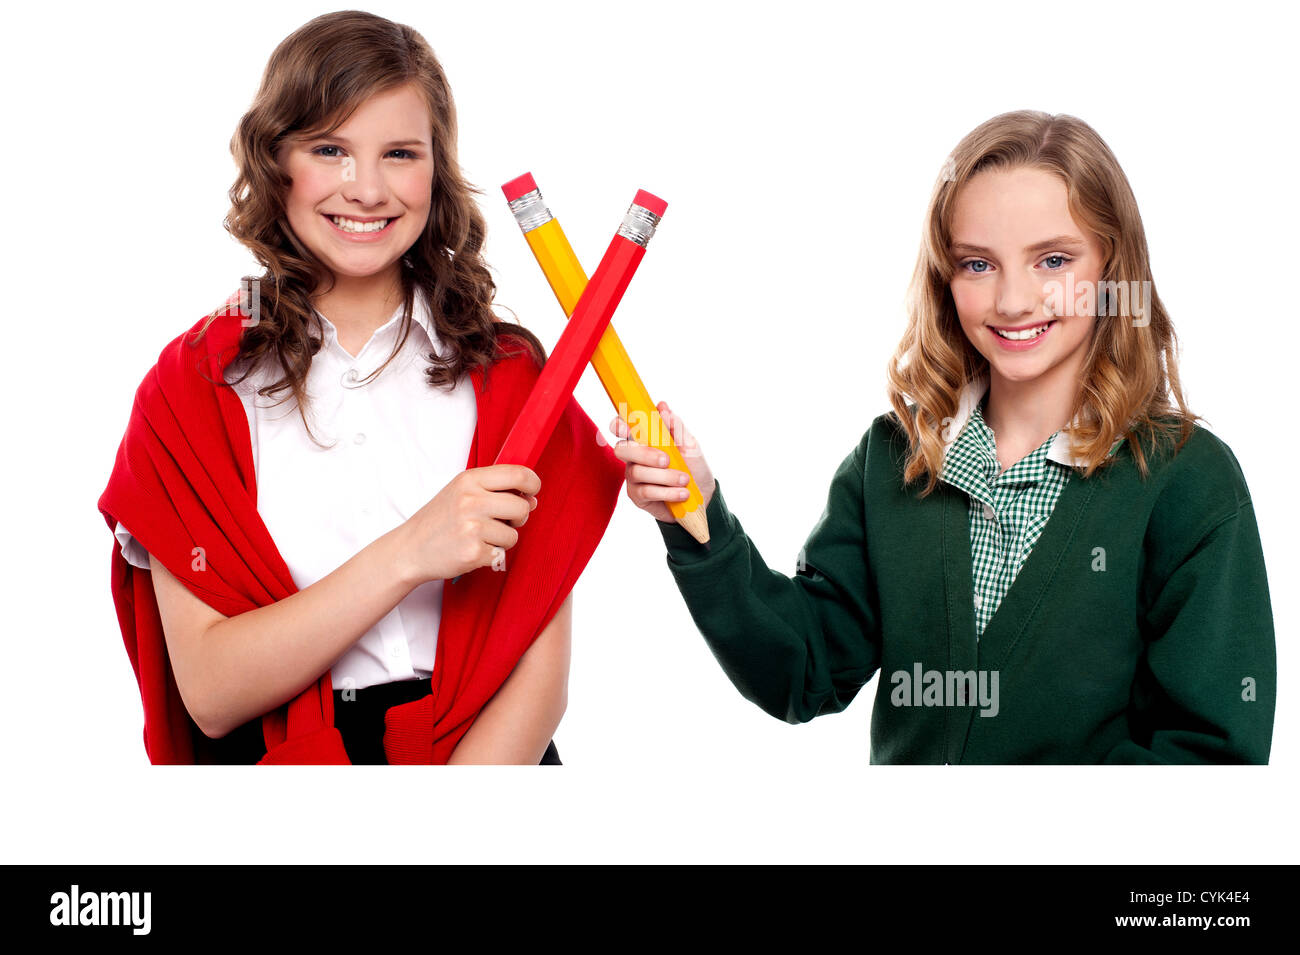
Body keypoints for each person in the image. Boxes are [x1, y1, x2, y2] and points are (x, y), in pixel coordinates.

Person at [612, 110, 1275, 763]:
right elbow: (802, 669)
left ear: (1111, 268)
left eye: (1052, 260)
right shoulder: (893, 459)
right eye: (978, 264)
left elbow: (1208, 756)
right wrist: (700, 521)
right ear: (945, 276)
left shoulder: (1187, 478)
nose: (1014, 301)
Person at [98, 11, 623, 764]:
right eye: (330, 149)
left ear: (436, 169)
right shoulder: (194, 388)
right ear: (274, 159)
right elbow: (212, 692)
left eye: (400, 152)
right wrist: (411, 550)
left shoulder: (508, 373)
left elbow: (539, 676)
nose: (367, 188)